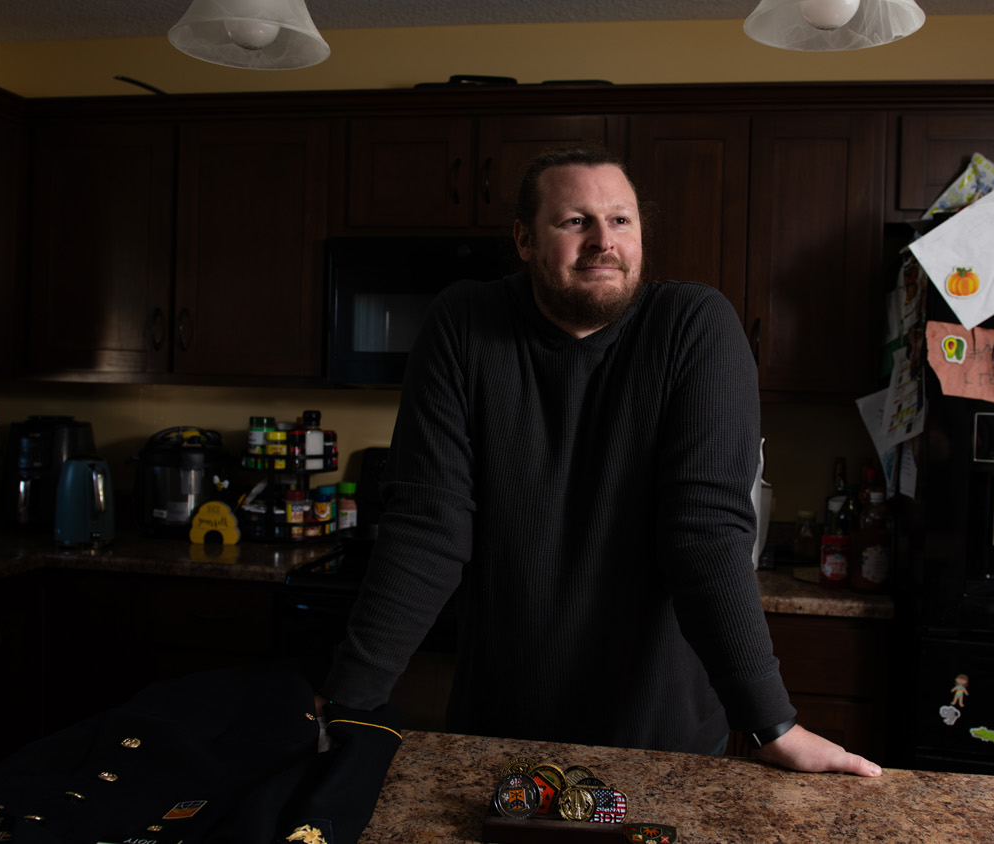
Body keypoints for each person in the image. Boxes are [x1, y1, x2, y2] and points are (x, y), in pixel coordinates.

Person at [320, 146, 880, 776]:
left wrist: (770, 724)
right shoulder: (463, 324)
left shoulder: (696, 327)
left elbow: (705, 534)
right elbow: (427, 528)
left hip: (659, 734)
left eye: (621, 220)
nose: (603, 242)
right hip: (500, 727)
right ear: (525, 239)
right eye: (575, 222)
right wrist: (349, 701)